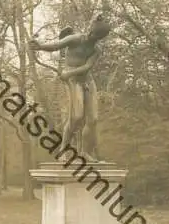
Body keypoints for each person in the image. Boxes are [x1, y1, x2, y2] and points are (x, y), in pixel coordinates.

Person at [29, 13, 111, 161]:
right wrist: (40, 46)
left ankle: (85, 152)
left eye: (97, 38)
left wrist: (69, 72)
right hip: (73, 81)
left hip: (86, 80)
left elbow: (87, 67)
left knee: (93, 120)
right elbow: (56, 45)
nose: (93, 38)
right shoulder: (75, 39)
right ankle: (63, 149)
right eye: (93, 35)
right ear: (91, 30)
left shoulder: (96, 49)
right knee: (76, 117)